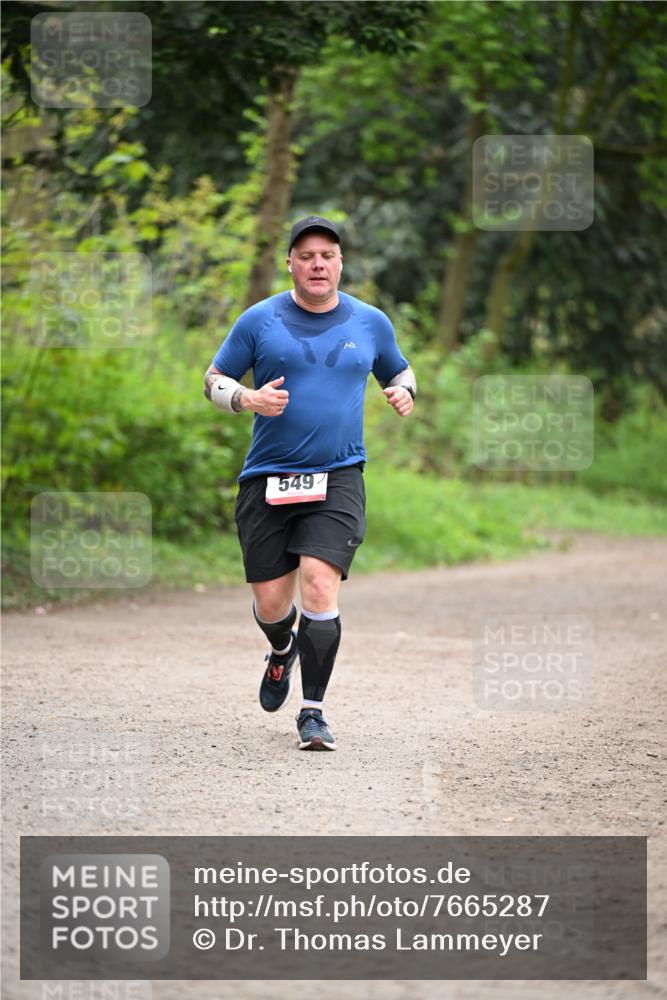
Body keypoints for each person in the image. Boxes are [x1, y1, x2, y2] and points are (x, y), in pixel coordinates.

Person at [204, 215, 415, 751]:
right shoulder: (259, 320)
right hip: (267, 478)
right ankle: (281, 650)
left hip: (338, 475)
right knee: (273, 603)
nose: (318, 264)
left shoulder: (370, 322)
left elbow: (399, 370)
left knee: (320, 584)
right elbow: (213, 379)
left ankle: (313, 712)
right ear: (291, 264)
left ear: (340, 263)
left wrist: (404, 392)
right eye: (307, 255)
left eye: (328, 255)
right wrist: (247, 398)